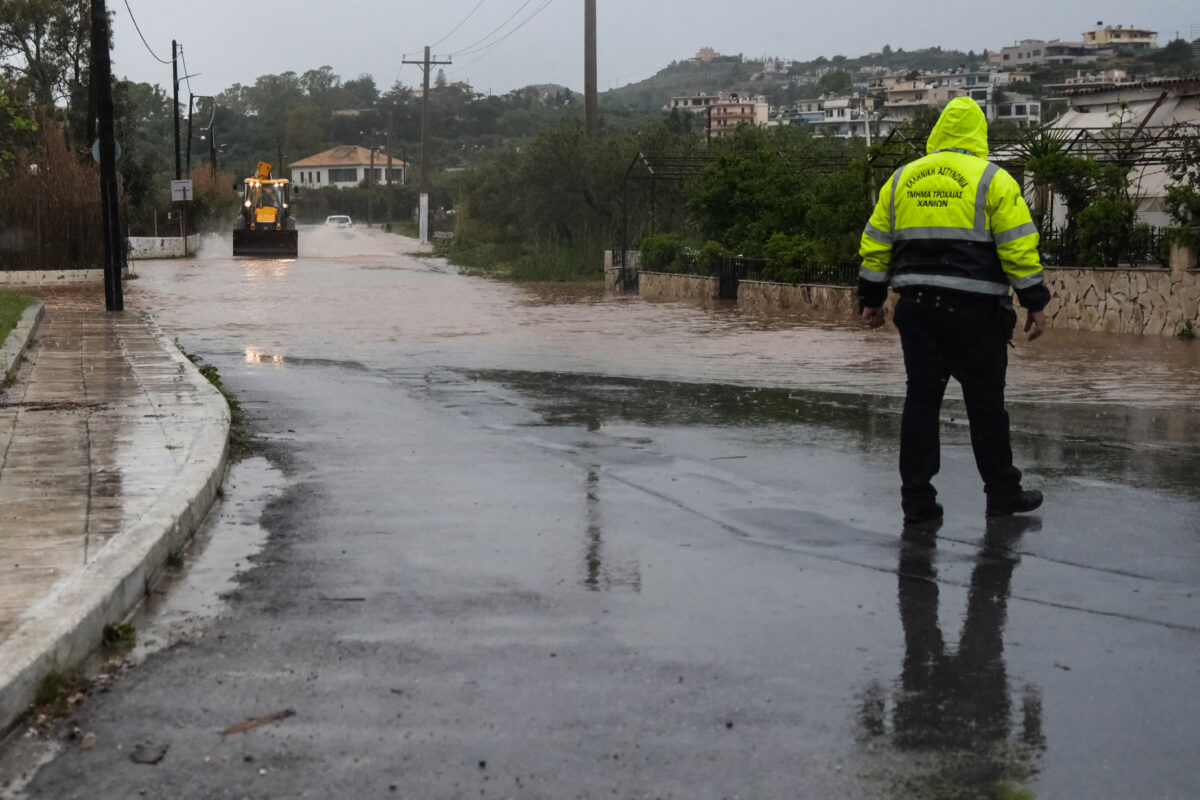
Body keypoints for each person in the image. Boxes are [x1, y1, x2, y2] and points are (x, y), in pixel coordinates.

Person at [858, 97, 1050, 524]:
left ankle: (917, 502)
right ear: (979, 134)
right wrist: (1035, 303)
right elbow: (1018, 248)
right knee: (986, 406)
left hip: (918, 310)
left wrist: (871, 300)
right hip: (976, 315)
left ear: (938, 132)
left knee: (921, 403)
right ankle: (1003, 495)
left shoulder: (902, 179)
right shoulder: (992, 180)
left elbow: (875, 246)